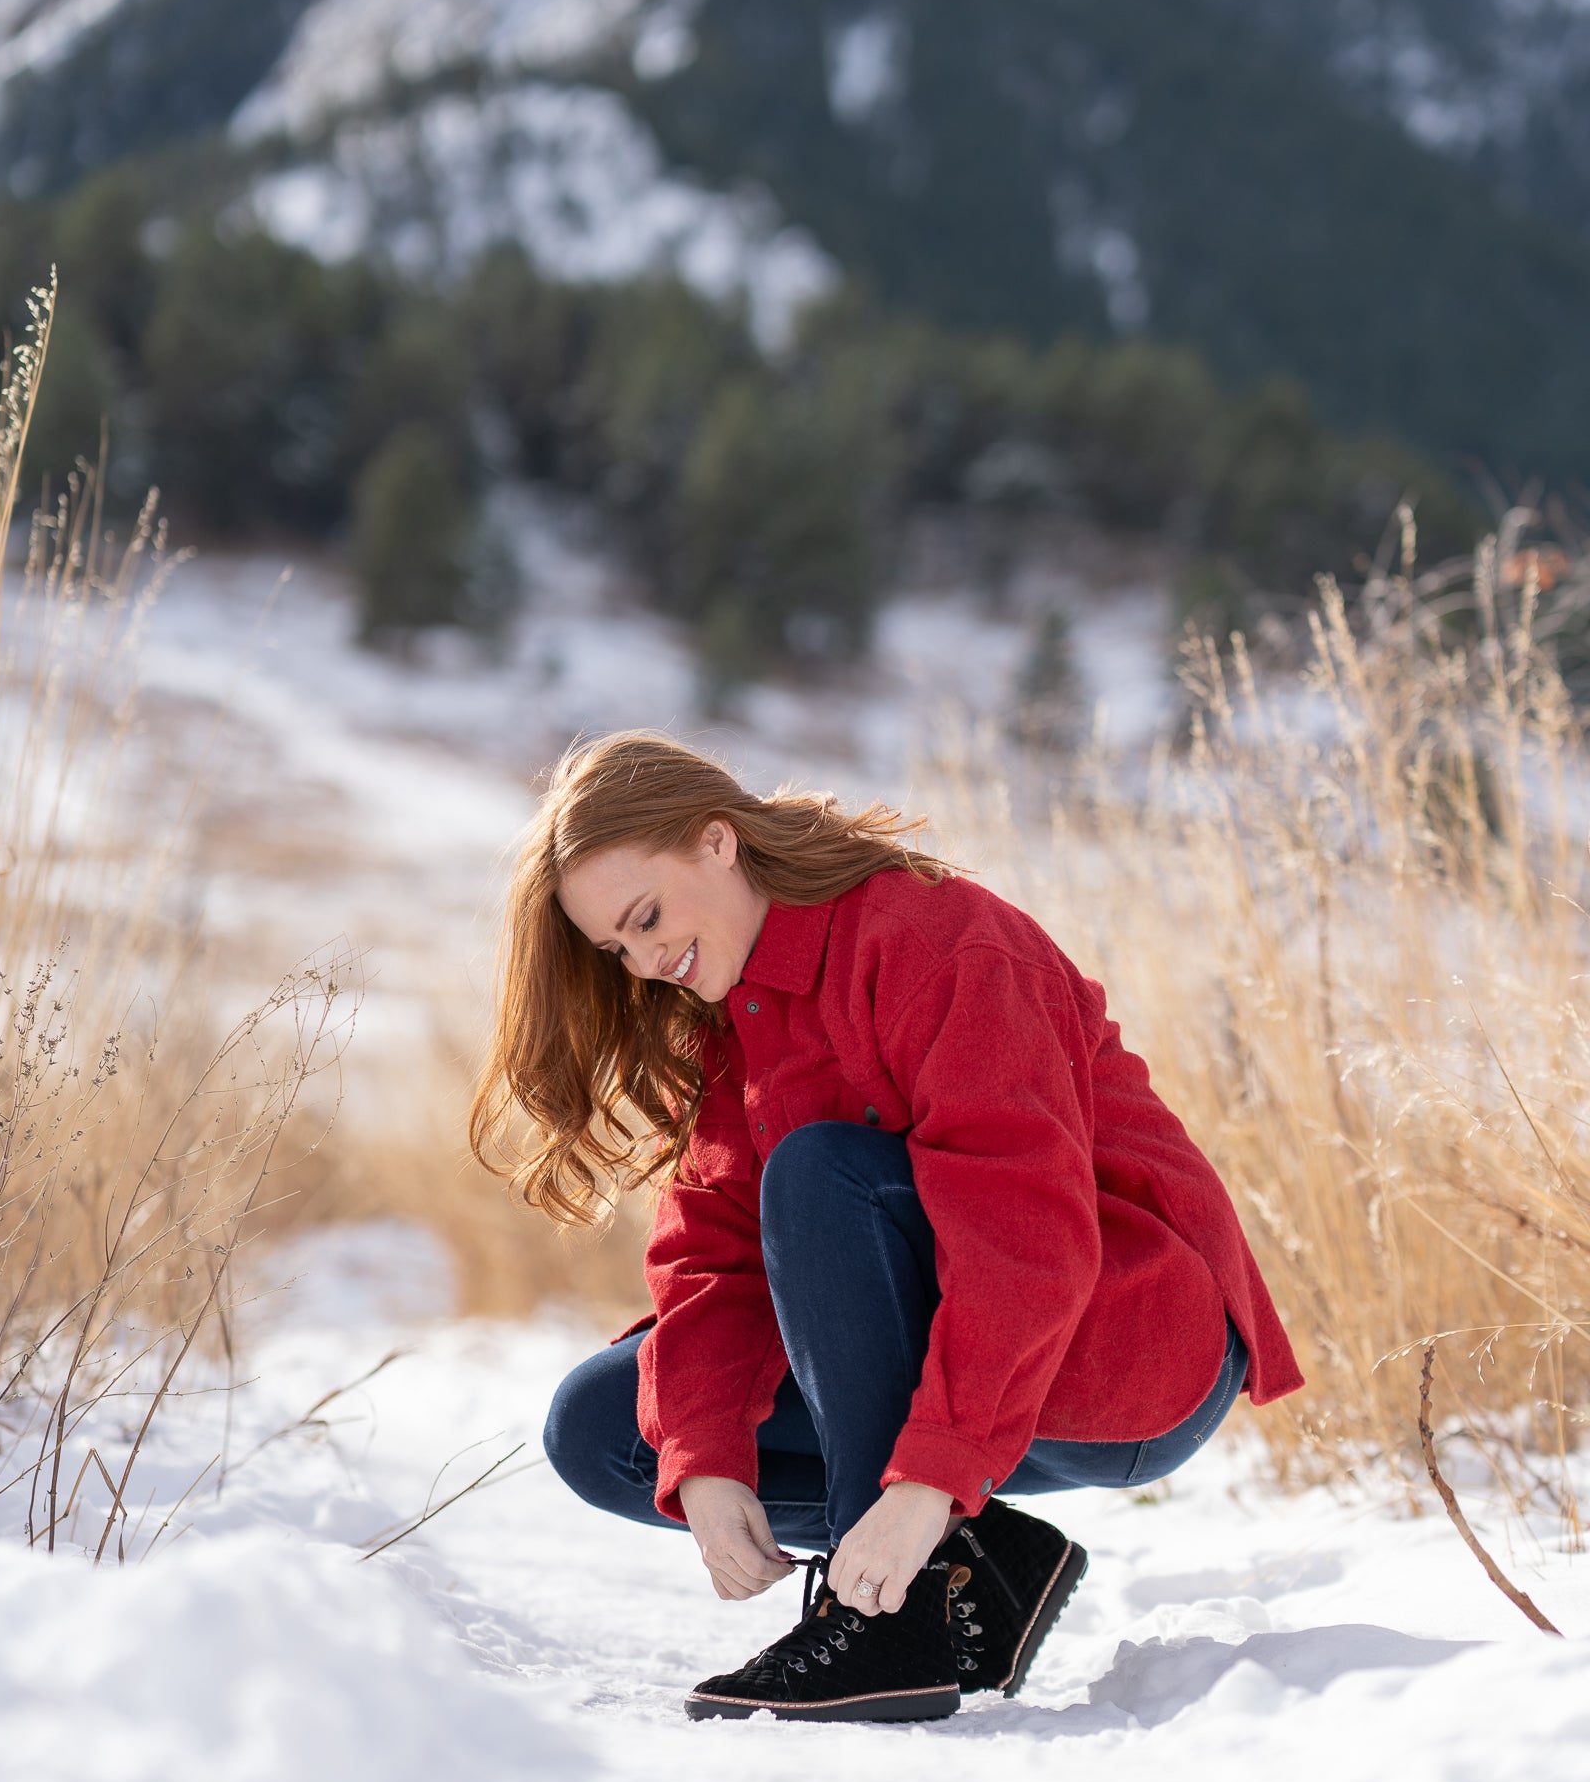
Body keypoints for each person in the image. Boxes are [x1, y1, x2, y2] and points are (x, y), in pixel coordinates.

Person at [472, 731, 1304, 1724]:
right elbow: (714, 1253)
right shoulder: (735, 1011)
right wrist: (705, 1458)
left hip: (1127, 1342)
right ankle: (979, 1563)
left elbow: (1025, 1238)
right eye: (618, 948)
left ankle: (892, 1616)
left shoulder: (934, 944)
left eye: (645, 917)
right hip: (979, 1364)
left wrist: (925, 1481)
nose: (647, 960)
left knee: (823, 1174)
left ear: (716, 842)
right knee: (606, 1430)